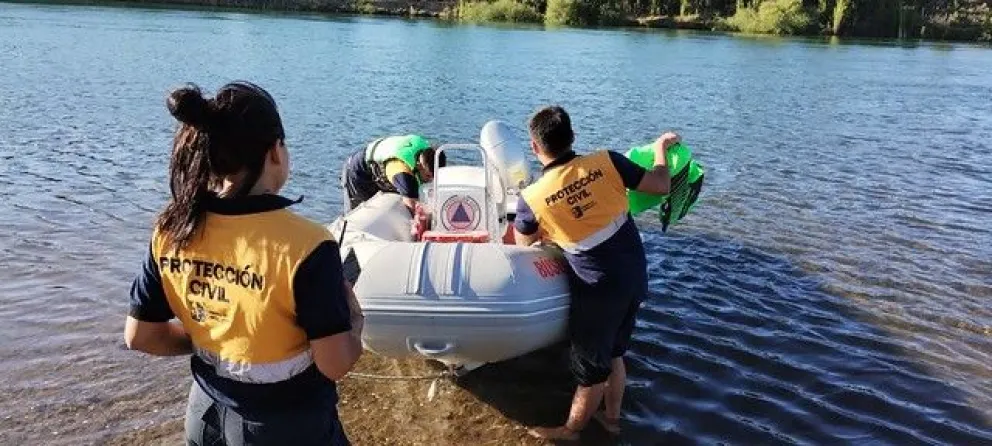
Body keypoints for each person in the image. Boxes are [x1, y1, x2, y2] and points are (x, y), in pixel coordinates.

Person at [124, 81, 364, 446]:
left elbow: (141, 336)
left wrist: (214, 338)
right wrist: (355, 328)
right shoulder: (308, 245)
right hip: (286, 426)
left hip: (204, 416)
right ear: (275, 151)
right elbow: (334, 364)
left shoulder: (173, 229)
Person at [514, 105, 678, 441]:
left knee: (590, 371)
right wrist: (660, 148)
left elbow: (524, 245)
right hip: (635, 276)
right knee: (615, 352)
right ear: (573, 136)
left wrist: (555, 230)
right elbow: (661, 185)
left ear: (534, 146)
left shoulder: (532, 198)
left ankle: (571, 430)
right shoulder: (608, 161)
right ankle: (612, 419)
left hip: (598, 290)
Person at [340, 134, 446, 212]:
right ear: (419, 166)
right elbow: (411, 205)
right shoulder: (402, 171)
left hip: (382, 158)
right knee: (364, 209)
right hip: (359, 171)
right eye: (428, 176)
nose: (430, 180)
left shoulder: (427, 150)